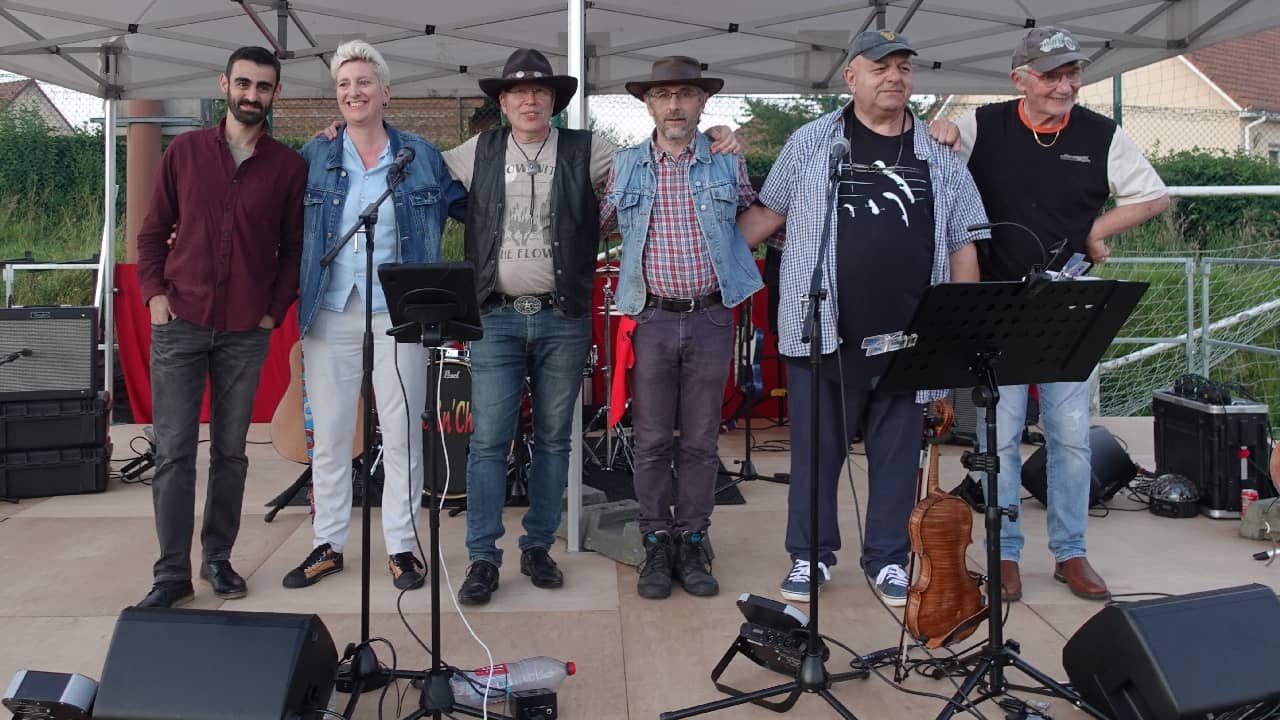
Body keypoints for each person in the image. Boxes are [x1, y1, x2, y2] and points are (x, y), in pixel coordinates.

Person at [442, 48, 741, 605]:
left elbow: (660, 154)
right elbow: (414, 170)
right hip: (497, 316)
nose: (530, 100)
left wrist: (723, 133)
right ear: (502, 102)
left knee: (557, 441)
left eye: (541, 92)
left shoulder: (593, 151)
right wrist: (350, 128)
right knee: (487, 445)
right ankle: (483, 557)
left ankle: (537, 548)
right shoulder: (473, 152)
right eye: (517, 92)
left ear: (554, 102)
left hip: (564, 316)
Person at [738, 30, 987, 607]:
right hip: (820, 327)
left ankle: (889, 560)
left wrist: (962, 327)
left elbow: (962, 244)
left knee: (897, 457)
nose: (894, 76)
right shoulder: (811, 142)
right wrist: (709, 263)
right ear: (851, 77)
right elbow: (765, 218)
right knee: (815, 454)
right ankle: (809, 557)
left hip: (909, 334)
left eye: (903, 66)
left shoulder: (937, 152)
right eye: (881, 67)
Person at [929, 26, 1168, 602]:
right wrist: (932, 131)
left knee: (1070, 437)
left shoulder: (1102, 133)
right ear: (1020, 80)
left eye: (1072, 73)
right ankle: (1004, 553)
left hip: (1070, 300)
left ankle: (1072, 553)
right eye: (1051, 74)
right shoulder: (978, 126)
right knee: (1001, 436)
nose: (1065, 84)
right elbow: (920, 156)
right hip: (997, 300)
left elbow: (1154, 195)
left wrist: (1095, 231)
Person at [283, 39, 466, 591]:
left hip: (400, 312)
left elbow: (477, 201)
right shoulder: (315, 155)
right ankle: (328, 542)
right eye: (343, 85)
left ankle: (403, 547)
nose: (353, 92)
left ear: (385, 93)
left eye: (363, 82)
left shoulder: (422, 156)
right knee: (333, 434)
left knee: (404, 432)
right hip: (331, 310)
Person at [134, 46, 305, 608]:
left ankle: (218, 560)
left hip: (244, 331)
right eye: (244, 84)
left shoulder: (287, 167)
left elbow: (293, 252)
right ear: (224, 84)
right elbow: (152, 232)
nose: (251, 95)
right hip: (180, 323)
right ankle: (170, 574)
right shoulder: (183, 152)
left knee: (231, 453)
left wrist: (271, 313)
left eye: (263, 87)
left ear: (274, 94)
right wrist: (155, 297)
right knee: (175, 452)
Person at [598, 57, 763, 599]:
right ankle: (655, 541)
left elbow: (755, 217)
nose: (675, 104)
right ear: (648, 103)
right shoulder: (624, 166)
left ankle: (692, 537)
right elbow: (591, 226)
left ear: (702, 103)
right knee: (648, 441)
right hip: (649, 318)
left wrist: (733, 141)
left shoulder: (725, 163)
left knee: (697, 440)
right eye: (664, 94)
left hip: (713, 314)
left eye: (686, 94)